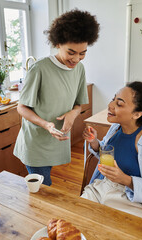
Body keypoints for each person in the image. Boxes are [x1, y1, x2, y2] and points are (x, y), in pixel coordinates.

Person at [13, 9, 100, 186]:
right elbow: (21, 107)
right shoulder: (39, 69)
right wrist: (46, 124)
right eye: (71, 52)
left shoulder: (79, 69)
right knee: (44, 188)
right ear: (58, 43)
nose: (76, 58)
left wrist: (72, 114)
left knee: (44, 187)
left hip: (57, 139)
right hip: (36, 141)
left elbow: (78, 104)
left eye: (82, 53)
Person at [81, 81, 142, 223]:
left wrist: (125, 179)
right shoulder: (115, 129)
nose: (110, 106)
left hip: (131, 201)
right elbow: (107, 156)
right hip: (101, 188)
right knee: (75, 220)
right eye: (113, 99)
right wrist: (94, 142)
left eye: (119, 104)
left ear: (136, 114)